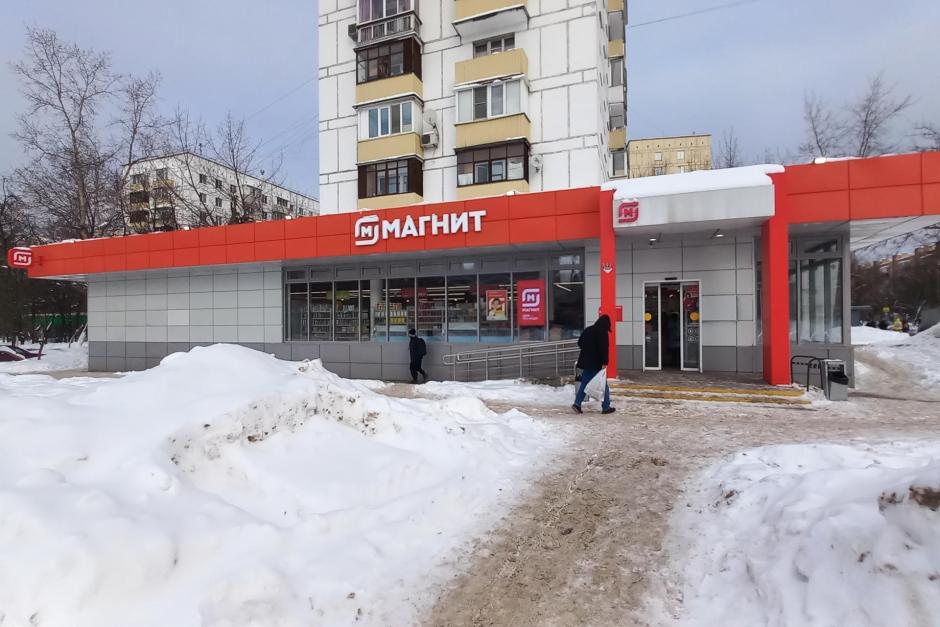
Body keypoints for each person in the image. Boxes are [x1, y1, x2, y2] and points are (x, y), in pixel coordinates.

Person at [572, 314, 615, 415]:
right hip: (596, 363)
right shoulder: (602, 332)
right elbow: (603, 349)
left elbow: (579, 343)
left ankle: (577, 404)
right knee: (603, 385)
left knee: (585, 384)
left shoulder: (588, 330)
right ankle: (606, 407)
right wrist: (605, 362)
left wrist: (587, 350)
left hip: (586, 362)